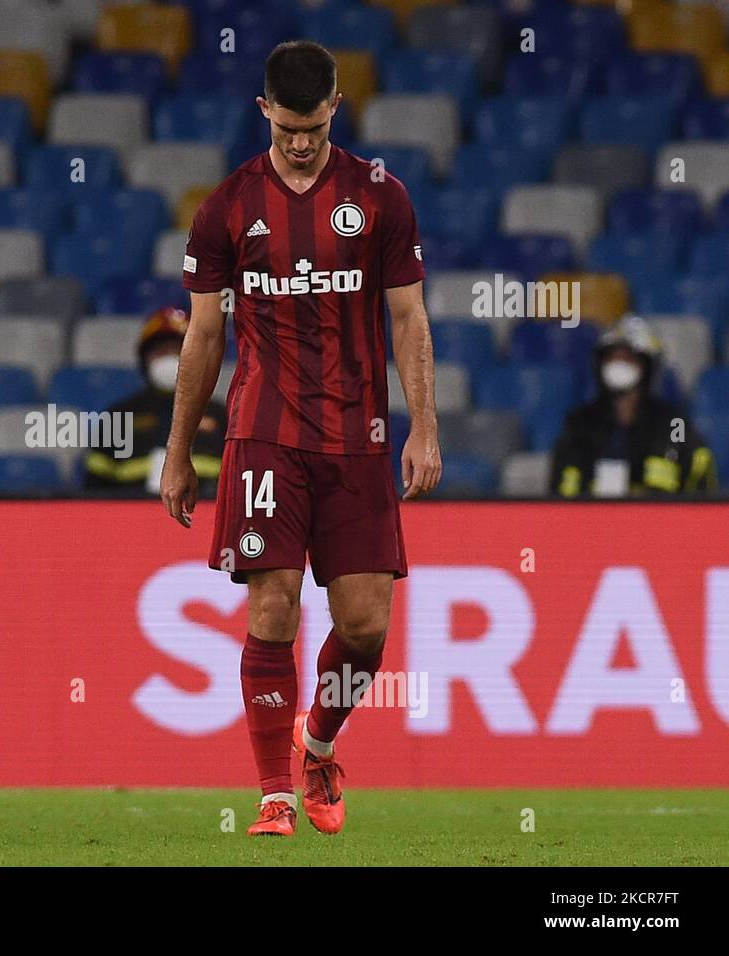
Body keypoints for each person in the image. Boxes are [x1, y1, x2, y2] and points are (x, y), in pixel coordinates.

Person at [160, 40, 441, 838]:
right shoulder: (225, 206)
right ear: (264, 113)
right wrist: (179, 450)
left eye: (312, 128)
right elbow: (204, 337)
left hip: (358, 438)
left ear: (334, 110)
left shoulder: (381, 197)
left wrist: (424, 424)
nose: (300, 143)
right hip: (264, 436)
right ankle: (274, 795)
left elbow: (409, 316)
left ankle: (317, 742)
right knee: (273, 604)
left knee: (364, 626)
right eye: (286, 129)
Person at [551, 315, 717, 497]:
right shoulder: (579, 423)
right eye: (612, 359)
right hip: (589, 520)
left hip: (660, 520)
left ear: (646, 366)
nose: (618, 366)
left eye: (627, 359)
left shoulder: (673, 423)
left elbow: (696, 478)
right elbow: (562, 488)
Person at [83, 306, 225, 493]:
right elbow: (94, 489)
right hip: (131, 517)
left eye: (177, 350)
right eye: (160, 352)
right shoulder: (118, 416)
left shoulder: (220, 415)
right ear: (145, 361)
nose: (169, 359)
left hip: (203, 513)